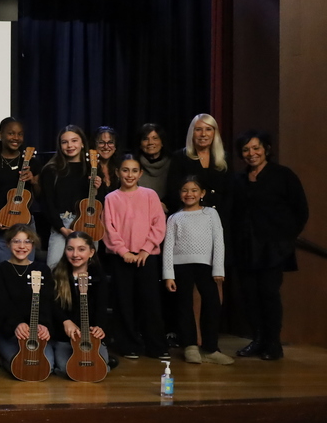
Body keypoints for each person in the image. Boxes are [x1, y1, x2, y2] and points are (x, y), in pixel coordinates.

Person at [232, 131, 309, 360]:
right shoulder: (239, 179)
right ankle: (258, 340)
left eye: (256, 148)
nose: (251, 153)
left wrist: (285, 240)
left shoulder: (283, 175)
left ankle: (273, 344)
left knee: (268, 294)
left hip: (273, 249)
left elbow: (301, 210)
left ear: (266, 149)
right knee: (249, 296)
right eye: (246, 150)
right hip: (246, 248)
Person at [103, 154, 167, 360]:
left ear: (140, 173)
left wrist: (145, 250)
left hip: (147, 257)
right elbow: (108, 228)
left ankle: (156, 346)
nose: (129, 175)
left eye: (133, 171)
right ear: (117, 173)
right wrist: (124, 252)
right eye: (125, 170)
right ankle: (128, 345)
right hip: (122, 258)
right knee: (124, 302)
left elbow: (159, 224)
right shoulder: (111, 198)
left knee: (151, 302)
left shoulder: (150, 195)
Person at [163, 176, 232, 365]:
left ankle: (211, 348)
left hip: (206, 266)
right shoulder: (174, 218)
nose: (189, 194)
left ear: (202, 194)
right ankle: (190, 346)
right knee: (184, 305)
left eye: (194, 190)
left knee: (212, 304)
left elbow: (219, 240)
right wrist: (168, 275)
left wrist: (218, 268)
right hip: (180, 266)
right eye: (185, 190)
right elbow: (168, 247)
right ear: (180, 193)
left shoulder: (210, 214)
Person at [0, 225, 55, 374]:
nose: (22, 246)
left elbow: (47, 303)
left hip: (35, 333)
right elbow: (0, 304)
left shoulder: (43, 270)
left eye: (27, 241)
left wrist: (43, 326)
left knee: (45, 367)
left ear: (33, 244)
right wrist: (16, 324)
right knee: (21, 366)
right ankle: (0, 356)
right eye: (16, 241)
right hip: (9, 332)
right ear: (8, 244)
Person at [0, 117, 41, 268]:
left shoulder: (32, 163)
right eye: (11, 133)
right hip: (1, 226)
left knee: (25, 271)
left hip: (26, 226)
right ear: (0, 135)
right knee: (1, 273)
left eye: (20, 134)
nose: (16, 138)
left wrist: (33, 181)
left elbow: (41, 196)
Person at [51, 231, 112, 376]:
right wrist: (65, 321)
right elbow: (51, 306)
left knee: (99, 369)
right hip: (65, 339)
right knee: (68, 369)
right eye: (70, 249)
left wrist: (100, 327)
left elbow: (101, 307)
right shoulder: (57, 275)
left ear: (91, 252)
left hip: (89, 339)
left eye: (81, 249)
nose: (75, 254)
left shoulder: (98, 277)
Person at [40, 125, 98, 269]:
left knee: (88, 270)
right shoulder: (51, 170)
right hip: (61, 224)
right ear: (60, 145)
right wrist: (62, 229)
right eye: (64, 142)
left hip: (88, 224)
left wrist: (97, 188)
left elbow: (98, 204)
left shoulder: (92, 168)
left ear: (82, 143)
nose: (70, 145)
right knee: (53, 268)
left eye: (74, 141)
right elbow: (47, 204)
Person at [166, 114, 232, 220]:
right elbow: (173, 191)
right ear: (192, 133)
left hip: (220, 218)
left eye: (208, 129)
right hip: (189, 218)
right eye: (198, 129)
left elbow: (229, 193)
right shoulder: (180, 157)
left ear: (215, 133)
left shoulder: (225, 158)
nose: (203, 134)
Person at [136, 123, 171, 213]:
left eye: (155, 138)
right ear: (140, 144)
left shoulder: (173, 163)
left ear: (162, 142)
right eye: (145, 139)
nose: (150, 142)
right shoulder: (133, 163)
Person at [93, 126, 122, 200]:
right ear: (95, 145)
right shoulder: (87, 168)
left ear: (115, 146)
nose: (106, 147)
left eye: (110, 142)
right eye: (101, 142)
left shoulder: (120, 167)